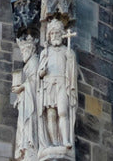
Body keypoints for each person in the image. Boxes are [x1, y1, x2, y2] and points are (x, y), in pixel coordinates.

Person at [38, 19, 77, 151]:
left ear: (62, 34)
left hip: (61, 83)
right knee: (50, 114)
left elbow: (72, 71)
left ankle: (65, 139)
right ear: (49, 36)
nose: (55, 36)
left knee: (62, 111)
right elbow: (40, 72)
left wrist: (71, 58)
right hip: (49, 85)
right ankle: (53, 142)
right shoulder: (45, 52)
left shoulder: (67, 51)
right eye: (52, 34)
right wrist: (42, 71)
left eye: (57, 33)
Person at [12, 35, 40, 160]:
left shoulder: (34, 62)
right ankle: (25, 146)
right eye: (22, 51)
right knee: (24, 124)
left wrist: (21, 88)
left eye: (24, 51)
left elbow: (34, 83)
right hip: (26, 101)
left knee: (28, 123)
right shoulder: (28, 64)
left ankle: (29, 145)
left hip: (31, 101)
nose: (23, 54)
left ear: (31, 50)